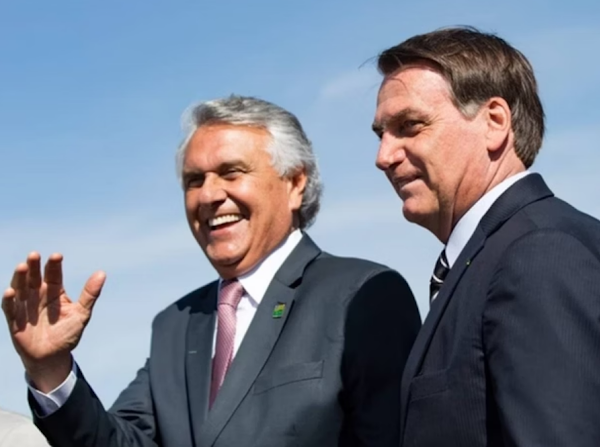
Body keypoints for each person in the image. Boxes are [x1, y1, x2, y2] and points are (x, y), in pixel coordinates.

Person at [2, 95, 421, 447]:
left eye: (231, 172)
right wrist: (50, 368)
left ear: (295, 183)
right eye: (193, 180)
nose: (208, 195)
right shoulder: (176, 324)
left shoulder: (363, 295)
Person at [372, 26, 600, 446]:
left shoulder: (541, 255)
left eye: (410, 125)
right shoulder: (502, 254)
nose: (383, 156)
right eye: (381, 134)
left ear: (494, 122)